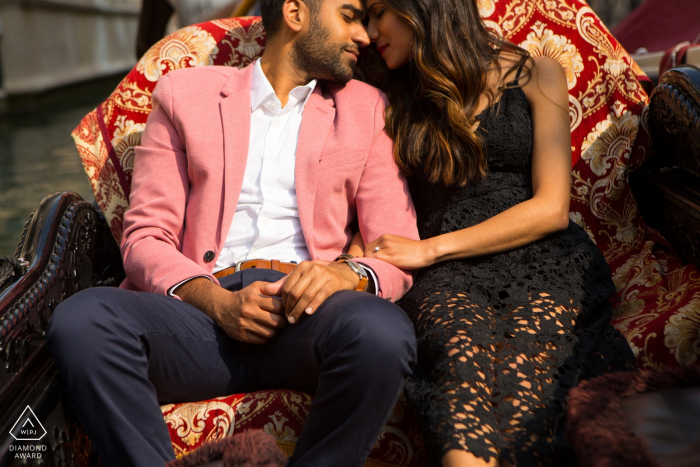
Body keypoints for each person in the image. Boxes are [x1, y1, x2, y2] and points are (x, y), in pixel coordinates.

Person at [46, 0, 420, 465]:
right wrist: (217, 303)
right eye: (349, 16)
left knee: (382, 335)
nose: (364, 35)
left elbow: (397, 244)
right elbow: (144, 236)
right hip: (201, 319)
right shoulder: (184, 95)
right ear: (296, 13)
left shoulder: (366, 109)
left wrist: (344, 275)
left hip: (307, 315)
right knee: (83, 321)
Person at [355, 0, 637, 466]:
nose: (369, 31)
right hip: (446, 278)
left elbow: (550, 208)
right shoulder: (383, 92)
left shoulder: (537, 73)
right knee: (460, 364)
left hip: (540, 257)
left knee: (526, 374)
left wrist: (430, 250)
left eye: (379, 11)